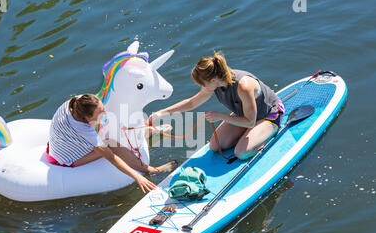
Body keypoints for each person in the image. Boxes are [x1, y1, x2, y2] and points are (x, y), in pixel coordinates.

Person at [148, 52, 285, 160]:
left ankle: (262, 139)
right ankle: (250, 136)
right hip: (245, 115)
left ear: (213, 80)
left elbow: (249, 122)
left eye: (202, 84)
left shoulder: (244, 86)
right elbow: (192, 102)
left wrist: (221, 116)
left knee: (241, 153)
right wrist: (162, 112)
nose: (202, 87)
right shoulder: (215, 84)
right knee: (215, 146)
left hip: (269, 114)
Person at [47, 94, 177, 193]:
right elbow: (111, 157)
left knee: (112, 123)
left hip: (64, 139)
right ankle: (151, 170)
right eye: (100, 113)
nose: (104, 113)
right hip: (68, 158)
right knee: (110, 143)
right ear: (86, 117)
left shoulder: (78, 102)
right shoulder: (83, 130)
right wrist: (137, 177)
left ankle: (146, 131)